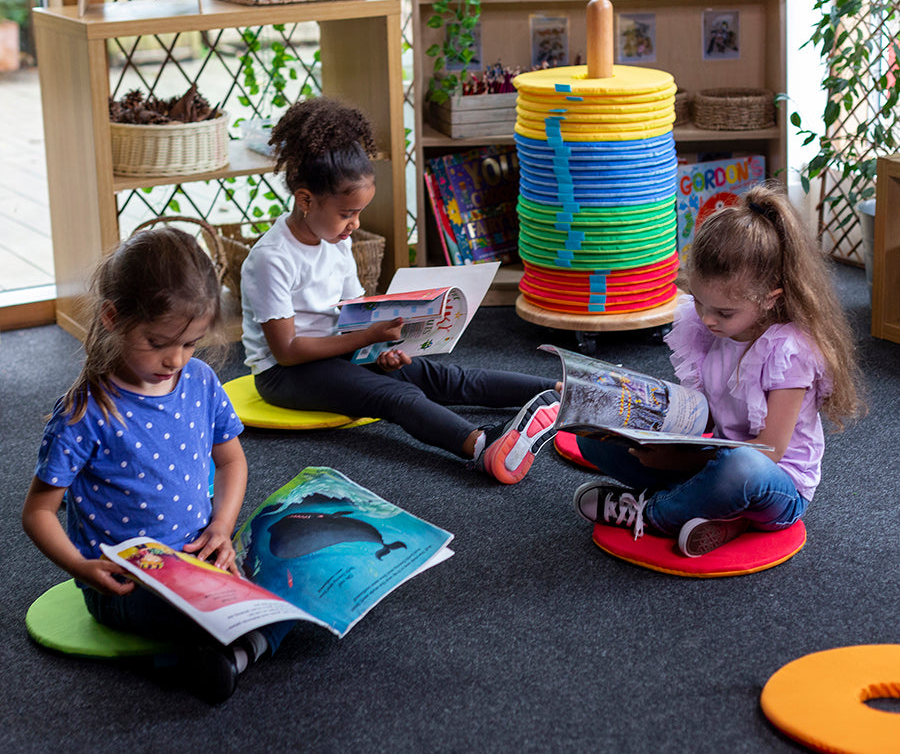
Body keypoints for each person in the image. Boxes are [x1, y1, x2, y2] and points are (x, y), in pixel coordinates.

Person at [22, 228, 292, 704]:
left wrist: (223, 528)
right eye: (159, 341)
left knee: (291, 577)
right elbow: (38, 512)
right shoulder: (87, 413)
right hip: (127, 582)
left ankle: (231, 652)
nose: (175, 359)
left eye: (189, 344)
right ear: (112, 317)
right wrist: (81, 567)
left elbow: (231, 461)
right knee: (211, 612)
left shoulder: (201, 381)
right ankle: (222, 652)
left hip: (202, 558)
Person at [240, 97, 560, 483]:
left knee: (442, 377)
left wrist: (381, 347)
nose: (355, 224)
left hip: (340, 351)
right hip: (286, 375)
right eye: (347, 213)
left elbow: (354, 310)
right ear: (305, 200)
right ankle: (481, 447)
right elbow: (287, 352)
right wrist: (368, 337)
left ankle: (557, 392)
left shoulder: (337, 240)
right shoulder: (271, 258)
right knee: (395, 396)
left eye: (359, 212)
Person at [571, 183, 865, 556]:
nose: (707, 319)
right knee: (593, 437)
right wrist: (647, 413)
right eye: (699, 302)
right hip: (710, 460)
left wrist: (679, 460)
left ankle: (653, 512)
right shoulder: (713, 328)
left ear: (770, 299)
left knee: (739, 469)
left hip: (776, 485)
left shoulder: (790, 352)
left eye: (724, 312)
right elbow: (705, 416)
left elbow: (769, 451)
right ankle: (715, 514)